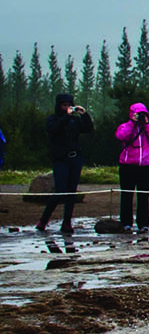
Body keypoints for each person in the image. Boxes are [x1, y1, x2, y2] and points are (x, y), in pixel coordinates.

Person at [38, 93, 94, 235]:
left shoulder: (74, 121)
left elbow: (88, 128)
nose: (67, 108)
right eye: (64, 105)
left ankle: (67, 222)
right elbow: (53, 129)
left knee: (71, 192)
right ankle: (43, 220)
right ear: (59, 106)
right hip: (60, 159)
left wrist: (84, 114)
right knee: (60, 191)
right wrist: (66, 116)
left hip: (75, 158)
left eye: (69, 105)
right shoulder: (53, 119)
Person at [112, 102, 149, 235]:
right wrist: (132, 123)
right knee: (127, 196)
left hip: (145, 167)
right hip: (128, 165)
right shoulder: (125, 126)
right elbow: (121, 136)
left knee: (143, 197)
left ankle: (143, 224)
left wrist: (147, 125)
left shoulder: (148, 128)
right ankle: (126, 223)